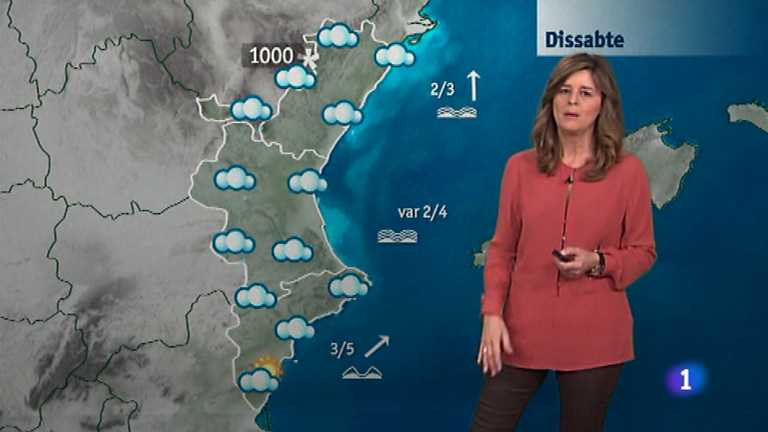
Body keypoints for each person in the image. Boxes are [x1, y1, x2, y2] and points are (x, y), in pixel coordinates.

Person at [471, 52, 657, 431]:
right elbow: (502, 249)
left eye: (585, 93)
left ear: (603, 104)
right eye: (564, 90)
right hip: (521, 330)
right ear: (551, 98)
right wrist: (492, 315)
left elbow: (643, 252)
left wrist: (597, 262)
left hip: (595, 336)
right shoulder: (519, 167)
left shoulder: (628, 172)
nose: (572, 101)